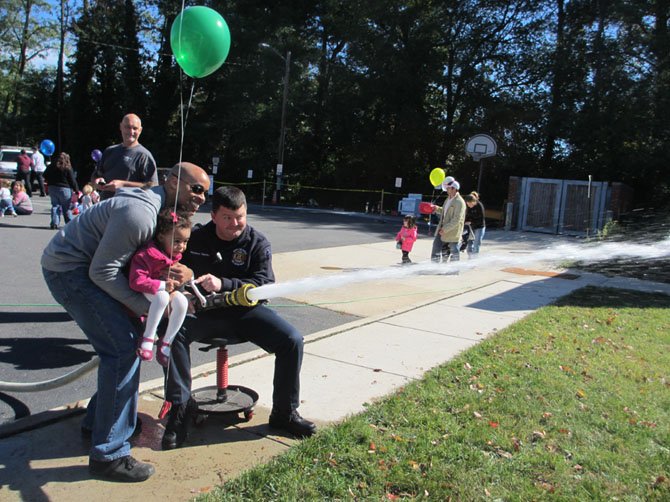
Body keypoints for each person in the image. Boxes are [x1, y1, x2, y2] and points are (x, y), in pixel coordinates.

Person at [41, 162, 209, 483]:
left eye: (205, 191)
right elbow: (101, 272)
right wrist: (146, 311)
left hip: (88, 269)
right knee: (123, 349)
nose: (202, 197)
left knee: (126, 344)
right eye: (196, 189)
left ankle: (98, 422)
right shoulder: (141, 215)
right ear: (173, 182)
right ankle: (110, 455)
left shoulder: (159, 210)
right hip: (71, 271)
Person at [160, 186, 317, 450]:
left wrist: (223, 283)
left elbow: (265, 284)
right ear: (213, 216)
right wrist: (180, 288)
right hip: (202, 313)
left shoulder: (257, 242)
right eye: (228, 218)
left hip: (245, 312)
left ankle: (284, 413)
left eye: (240, 217)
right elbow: (170, 264)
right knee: (171, 333)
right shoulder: (195, 238)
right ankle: (180, 411)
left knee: (292, 340)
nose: (235, 224)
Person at [130, 209, 191, 366]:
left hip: (161, 295)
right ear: (162, 236)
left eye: (185, 241)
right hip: (147, 294)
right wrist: (163, 285)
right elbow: (136, 280)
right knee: (162, 296)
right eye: (177, 241)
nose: (182, 247)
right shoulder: (146, 255)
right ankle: (148, 338)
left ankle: (166, 341)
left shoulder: (174, 257)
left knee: (182, 302)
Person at [92, 113, 158, 201]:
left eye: (135, 128)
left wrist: (123, 185)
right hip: (105, 208)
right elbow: (95, 175)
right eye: (127, 127)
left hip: (129, 208)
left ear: (140, 130)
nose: (131, 132)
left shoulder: (144, 156)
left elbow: (153, 186)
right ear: (121, 127)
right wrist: (97, 181)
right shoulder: (109, 151)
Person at [430, 180, 465, 262]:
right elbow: (445, 211)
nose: (446, 189)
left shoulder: (460, 202)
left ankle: (454, 270)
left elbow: (457, 219)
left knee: (454, 250)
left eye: (448, 188)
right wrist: (437, 208)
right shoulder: (448, 199)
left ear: (454, 189)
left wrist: (445, 229)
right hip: (442, 228)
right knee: (436, 246)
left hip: (452, 231)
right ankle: (434, 266)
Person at [44, 152, 79, 229]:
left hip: (52, 187)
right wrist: (76, 190)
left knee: (55, 205)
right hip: (64, 188)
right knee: (66, 207)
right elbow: (72, 180)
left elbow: (44, 175)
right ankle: (70, 223)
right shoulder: (67, 167)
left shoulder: (51, 166)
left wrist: (50, 180)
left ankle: (54, 223)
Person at [463, 192, 486, 258]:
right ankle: (470, 257)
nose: (468, 205)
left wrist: (471, 222)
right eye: (467, 204)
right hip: (471, 227)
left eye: (469, 204)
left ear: (473, 202)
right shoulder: (467, 207)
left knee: (476, 244)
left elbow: (480, 219)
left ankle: (474, 258)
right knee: (469, 243)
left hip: (479, 227)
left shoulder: (479, 206)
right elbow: (466, 216)